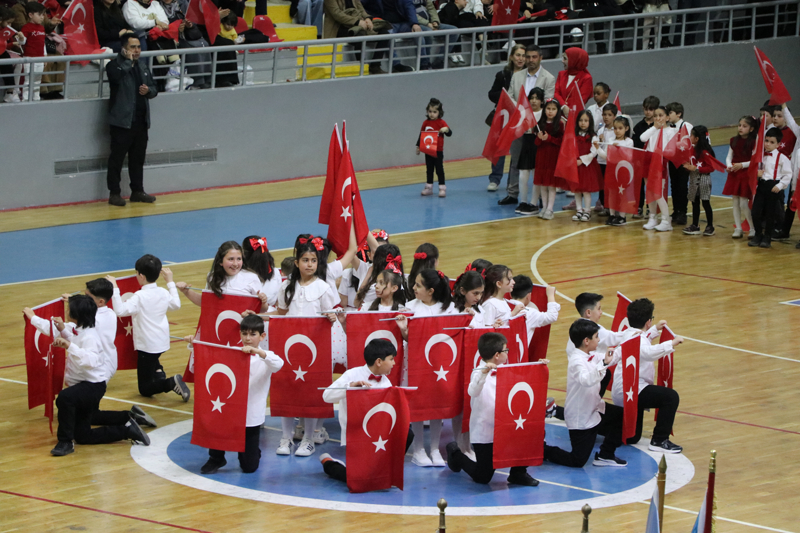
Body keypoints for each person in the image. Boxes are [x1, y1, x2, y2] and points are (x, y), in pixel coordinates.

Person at [44, 295, 151, 456]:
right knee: (83, 436)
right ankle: (127, 430)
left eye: (68, 309)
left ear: (76, 315)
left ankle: (65, 442)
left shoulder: (90, 336)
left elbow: (91, 361)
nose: (66, 311)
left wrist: (69, 346)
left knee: (65, 398)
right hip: (86, 383)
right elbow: (74, 340)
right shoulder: (81, 330)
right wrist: (62, 331)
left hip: (93, 385)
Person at [445, 332, 539, 486]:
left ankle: (518, 473)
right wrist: (483, 373)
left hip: (506, 426)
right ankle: (455, 454)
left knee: (524, 433)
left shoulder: (506, 370)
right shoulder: (478, 372)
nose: (507, 353)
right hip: (485, 430)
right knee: (483, 477)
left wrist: (538, 367)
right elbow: (472, 391)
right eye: (506, 350)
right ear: (497, 355)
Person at [194, 314, 284, 474]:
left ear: (262, 336)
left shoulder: (266, 357)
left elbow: (279, 364)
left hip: (251, 412)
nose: (248, 338)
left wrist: (258, 352)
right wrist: (193, 343)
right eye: (244, 333)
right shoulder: (232, 352)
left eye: (253, 334)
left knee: (249, 467)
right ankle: (216, 458)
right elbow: (209, 355)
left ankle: (252, 453)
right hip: (227, 407)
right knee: (218, 428)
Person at [274, 239, 341, 457]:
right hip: (290, 348)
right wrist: (258, 316)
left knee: (311, 393)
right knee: (288, 390)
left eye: (313, 260)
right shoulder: (286, 287)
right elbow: (280, 315)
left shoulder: (324, 288)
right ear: (297, 263)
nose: (309, 264)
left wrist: (332, 317)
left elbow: (332, 315)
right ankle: (286, 437)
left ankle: (309, 438)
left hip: (315, 349)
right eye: (305, 260)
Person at [543, 319, 626, 468]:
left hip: (595, 409)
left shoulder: (592, 354)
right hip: (580, 417)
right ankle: (544, 450)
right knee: (577, 460)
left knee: (621, 416)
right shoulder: (576, 361)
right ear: (586, 341)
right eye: (596, 336)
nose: (599, 340)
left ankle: (606, 455)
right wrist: (604, 364)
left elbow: (613, 356)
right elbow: (586, 379)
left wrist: (633, 340)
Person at [319, 339, 405, 482]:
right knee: (358, 480)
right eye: (391, 359)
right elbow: (326, 396)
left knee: (408, 434)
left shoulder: (386, 381)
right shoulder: (352, 374)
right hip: (356, 434)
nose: (394, 363)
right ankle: (329, 463)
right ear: (379, 361)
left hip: (379, 434)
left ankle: (382, 469)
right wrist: (350, 386)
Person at [395, 268, 456, 466]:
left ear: (430, 291)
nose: (413, 287)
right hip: (416, 365)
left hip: (441, 366)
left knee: (437, 404)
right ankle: (419, 449)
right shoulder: (409, 307)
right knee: (418, 405)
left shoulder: (449, 309)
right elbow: (409, 338)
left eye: (418, 285)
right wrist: (403, 329)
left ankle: (435, 449)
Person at [107, 255, 186, 402]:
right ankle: (159, 373)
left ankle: (171, 383)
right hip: (161, 342)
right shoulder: (163, 292)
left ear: (141, 276)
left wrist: (115, 288)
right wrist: (170, 282)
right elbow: (176, 305)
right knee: (153, 360)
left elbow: (120, 311)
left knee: (145, 388)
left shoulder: (140, 296)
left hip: (147, 346)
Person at [611, 298, 684, 452]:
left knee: (632, 437)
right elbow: (648, 352)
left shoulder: (628, 333)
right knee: (670, 397)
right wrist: (671, 343)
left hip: (625, 389)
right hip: (633, 390)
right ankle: (659, 440)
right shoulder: (638, 338)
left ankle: (599, 425)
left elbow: (643, 340)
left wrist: (655, 329)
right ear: (648, 321)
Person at [498, 45, 556, 206]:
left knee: (539, 163)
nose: (530, 60)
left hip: (538, 127)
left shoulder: (549, 78)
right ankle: (512, 193)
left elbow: (549, 102)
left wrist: (533, 116)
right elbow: (510, 97)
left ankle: (541, 197)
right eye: (528, 57)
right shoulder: (517, 76)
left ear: (540, 58)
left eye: (534, 57)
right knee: (515, 160)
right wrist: (521, 112)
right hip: (518, 124)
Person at [106, 33, 158, 207]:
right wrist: (128, 62)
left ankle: (137, 191)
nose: (136, 50)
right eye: (132, 47)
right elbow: (115, 78)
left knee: (138, 159)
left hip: (140, 121)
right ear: (123, 49)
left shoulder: (143, 66)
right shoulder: (114, 65)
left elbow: (154, 88)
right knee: (117, 159)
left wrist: (148, 91)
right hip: (122, 121)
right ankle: (114, 193)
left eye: (138, 47)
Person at [486, 43, 526, 192]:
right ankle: (495, 179)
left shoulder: (529, 76)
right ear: (511, 57)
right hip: (505, 115)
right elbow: (492, 94)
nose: (520, 58)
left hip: (520, 116)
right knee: (499, 148)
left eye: (523, 56)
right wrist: (505, 97)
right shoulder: (502, 75)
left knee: (517, 150)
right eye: (518, 55)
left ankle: (513, 181)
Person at [749, 128, 792, 248]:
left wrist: (780, 185)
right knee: (755, 212)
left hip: (773, 187)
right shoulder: (760, 156)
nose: (768, 144)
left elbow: (788, 174)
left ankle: (767, 237)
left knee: (770, 214)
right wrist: (757, 175)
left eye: (772, 142)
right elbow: (753, 169)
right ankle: (758, 234)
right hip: (762, 185)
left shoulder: (782, 158)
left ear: (778, 144)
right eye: (766, 141)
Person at [322, 0, 390, 75]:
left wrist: (367, 19)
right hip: (338, 27)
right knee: (359, 36)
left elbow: (361, 9)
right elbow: (337, 14)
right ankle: (362, 67)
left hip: (358, 24)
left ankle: (375, 65)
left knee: (384, 34)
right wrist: (357, 22)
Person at [595, 114, 634, 226]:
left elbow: (629, 157)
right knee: (611, 193)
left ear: (626, 128)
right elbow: (606, 156)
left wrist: (619, 149)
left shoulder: (629, 142)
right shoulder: (611, 140)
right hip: (611, 170)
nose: (617, 131)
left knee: (622, 193)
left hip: (623, 171)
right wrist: (597, 148)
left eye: (620, 128)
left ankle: (622, 216)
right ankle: (612, 215)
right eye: (615, 128)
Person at [640, 105, 674, 232]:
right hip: (648, 161)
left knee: (657, 192)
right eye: (655, 116)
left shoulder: (671, 131)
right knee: (649, 192)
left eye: (661, 115)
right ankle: (652, 217)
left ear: (667, 117)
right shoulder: (653, 129)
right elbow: (642, 138)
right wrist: (655, 127)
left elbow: (671, 150)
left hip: (660, 162)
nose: (658, 118)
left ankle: (666, 220)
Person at [508, 276, 560, 355]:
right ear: (528, 296)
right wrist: (550, 296)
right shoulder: (530, 313)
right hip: (517, 355)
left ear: (510, 293)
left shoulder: (502, 305)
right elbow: (552, 316)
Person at [725, 115, 758, 239]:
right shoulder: (734, 140)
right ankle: (738, 228)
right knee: (735, 201)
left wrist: (742, 165)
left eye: (744, 126)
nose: (741, 128)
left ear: (751, 129)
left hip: (746, 173)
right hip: (735, 172)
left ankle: (752, 228)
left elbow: (754, 159)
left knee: (744, 202)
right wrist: (729, 165)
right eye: (739, 125)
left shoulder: (754, 141)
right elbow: (729, 156)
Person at [681, 125, 716, 237]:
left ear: (697, 138)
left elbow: (711, 168)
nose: (689, 137)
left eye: (691, 135)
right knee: (694, 202)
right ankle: (695, 225)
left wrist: (696, 168)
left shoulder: (705, 152)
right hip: (693, 178)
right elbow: (692, 164)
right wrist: (687, 167)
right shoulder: (692, 150)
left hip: (704, 179)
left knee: (705, 202)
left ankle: (710, 226)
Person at [515, 87, 544, 216]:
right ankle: (523, 201)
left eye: (537, 98)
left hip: (539, 146)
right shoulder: (524, 113)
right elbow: (517, 130)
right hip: (526, 145)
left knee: (536, 176)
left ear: (542, 101)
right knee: (523, 176)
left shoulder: (544, 113)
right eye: (531, 98)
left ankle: (534, 203)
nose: (534, 101)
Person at [533, 98, 564, 219]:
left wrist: (549, 138)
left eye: (553, 109)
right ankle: (544, 207)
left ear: (558, 111)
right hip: (541, 156)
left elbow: (561, 142)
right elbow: (536, 143)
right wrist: (539, 138)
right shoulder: (540, 124)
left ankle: (550, 209)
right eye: (548, 108)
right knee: (542, 184)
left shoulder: (560, 124)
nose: (550, 111)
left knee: (551, 184)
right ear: (544, 109)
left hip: (552, 156)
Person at [570, 110, 603, 222]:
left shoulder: (593, 137)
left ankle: (587, 210)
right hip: (576, 166)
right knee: (577, 190)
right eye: (581, 120)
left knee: (586, 190)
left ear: (590, 122)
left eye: (586, 120)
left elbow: (594, 152)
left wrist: (582, 160)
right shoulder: (574, 135)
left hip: (587, 166)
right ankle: (579, 210)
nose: (583, 123)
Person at [771, 105, 797, 241]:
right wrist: (784, 105)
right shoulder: (798, 132)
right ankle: (784, 230)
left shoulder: (793, 133)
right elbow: (791, 121)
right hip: (796, 175)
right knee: (791, 203)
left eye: (779, 115)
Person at [665, 102, 694, 226]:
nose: (668, 115)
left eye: (670, 113)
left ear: (679, 114)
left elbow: (691, 143)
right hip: (672, 160)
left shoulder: (686, 126)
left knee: (682, 186)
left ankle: (683, 212)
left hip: (684, 162)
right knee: (674, 186)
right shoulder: (668, 128)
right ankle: (676, 210)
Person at [417, 98, 452, 197]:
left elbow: (449, 133)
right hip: (428, 150)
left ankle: (442, 188)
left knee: (439, 169)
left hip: (438, 151)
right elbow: (421, 135)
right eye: (430, 111)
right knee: (429, 169)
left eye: (434, 112)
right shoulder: (425, 123)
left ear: (439, 112)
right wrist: (418, 146)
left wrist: (446, 130)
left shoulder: (441, 123)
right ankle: (429, 187)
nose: (432, 114)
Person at [631, 96, 660, 219]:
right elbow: (635, 143)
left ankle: (650, 207)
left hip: (653, 160)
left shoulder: (659, 126)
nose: (648, 112)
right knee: (638, 185)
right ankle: (638, 206)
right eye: (646, 109)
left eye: (651, 109)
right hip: (640, 160)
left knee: (651, 185)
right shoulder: (638, 126)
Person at [18, 2, 48, 102]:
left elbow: (42, 43)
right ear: (30, 15)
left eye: (43, 14)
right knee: (28, 80)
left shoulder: (42, 28)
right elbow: (22, 42)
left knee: (37, 80)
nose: (42, 17)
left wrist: (45, 56)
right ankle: (25, 99)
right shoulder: (26, 27)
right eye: (39, 14)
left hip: (40, 58)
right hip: (29, 58)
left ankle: (36, 98)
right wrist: (21, 37)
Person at [553, 48, 593, 118]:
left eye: (565, 59)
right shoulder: (561, 74)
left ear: (574, 60)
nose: (562, 61)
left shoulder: (586, 78)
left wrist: (568, 112)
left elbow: (580, 100)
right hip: (558, 114)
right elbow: (555, 93)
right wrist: (563, 106)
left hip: (575, 116)